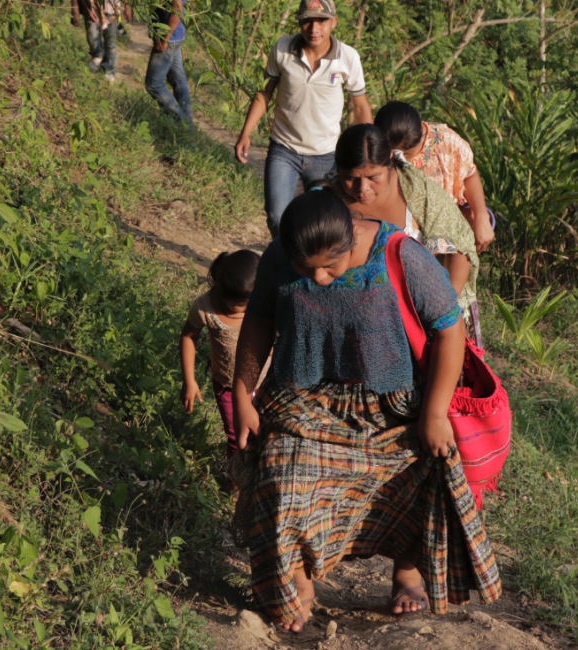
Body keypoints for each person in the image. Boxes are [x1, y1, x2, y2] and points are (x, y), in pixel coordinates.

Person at [232, 190, 501, 633]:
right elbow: (259, 321)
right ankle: (296, 581)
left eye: (330, 267)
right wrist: (243, 395)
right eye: (306, 268)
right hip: (307, 401)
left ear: (353, 235)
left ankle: (408, 572)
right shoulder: (281, 256)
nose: (318, 278)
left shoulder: (401, 255)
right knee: (280, 471)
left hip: (392, 405)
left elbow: (450, 331)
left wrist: (433, 414)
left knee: (422, 471)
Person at [234, 0, 372, 238]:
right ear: (299, 22)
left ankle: (308, 266)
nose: (314, 28)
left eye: (321, 21)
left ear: (334, 23)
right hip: (284, 149)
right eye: (307, 20)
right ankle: (287, 263)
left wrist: (367, 153)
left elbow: (359, 106)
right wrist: (245, 133)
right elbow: (265, 92)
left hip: (326, 156)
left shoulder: (347, 57)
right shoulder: (282, 49)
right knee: (277, 216)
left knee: (321, 222)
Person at [329, 124, 480, 325]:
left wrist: (443, 315)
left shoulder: (419, 192)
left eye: (373, 177)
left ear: (390, 162)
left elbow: (460, 249)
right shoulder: (327, 201)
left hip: (421, 317)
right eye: (351, 178)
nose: (362, 188)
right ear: (338, 170)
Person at [374, 101, 495, 254]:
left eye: (407, 154)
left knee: (468, 220)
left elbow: (469, 174)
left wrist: (481, 216)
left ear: (420, 137)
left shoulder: (447, 141)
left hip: (443, 225)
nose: (399, 158)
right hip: (401, 227)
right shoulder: (374, 148)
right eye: (393, 153)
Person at [180, 250, 260, 459]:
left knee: (264, 434)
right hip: (228, 386)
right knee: (237, 438)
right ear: (222, 293)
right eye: (241, 305)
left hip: (265, 383)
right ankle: (235, 486)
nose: (247, 309)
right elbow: (188, 337)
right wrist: (189, 381)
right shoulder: (205, 308)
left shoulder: (265, 302)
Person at [145, 0, 193, 123]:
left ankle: (182, 121)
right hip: (176, 35)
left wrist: (165, 38)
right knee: (178, 80)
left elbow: (177, 9)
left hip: (169, 37)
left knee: (153, 84)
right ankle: (188, 123)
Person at [71, 0, 120, 82]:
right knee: (92, 36)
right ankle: (98, 55)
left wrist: (127, 6)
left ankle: (109, 68)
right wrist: (77, 10)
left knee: (110, 39)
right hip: (91, 7)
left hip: (112, 9)